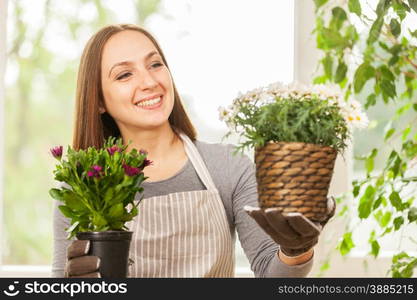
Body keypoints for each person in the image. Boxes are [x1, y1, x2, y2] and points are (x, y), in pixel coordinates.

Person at [52, 24, 335, 278]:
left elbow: (270, 273)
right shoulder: (84, 185)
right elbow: (60, 281)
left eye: (155, 64)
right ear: (99, 100)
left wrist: (295, 250)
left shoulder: (228, 167)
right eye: (125, 74)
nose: (150, 82)